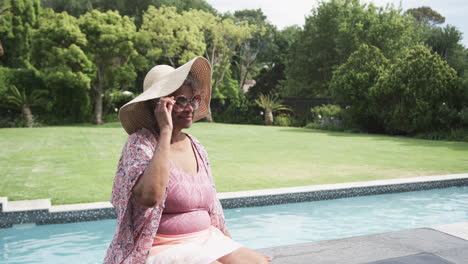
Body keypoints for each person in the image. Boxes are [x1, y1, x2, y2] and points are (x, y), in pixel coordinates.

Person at [104, 56, 271, 264]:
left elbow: (212, 206)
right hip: (160, 246)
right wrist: (165, 130)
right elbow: (150, 197)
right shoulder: (140, 144)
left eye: (193, 100)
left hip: (206, 239)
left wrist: (230, 247)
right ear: (157, 104)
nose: (190, 107)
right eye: (181, 100)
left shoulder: (196, 146)